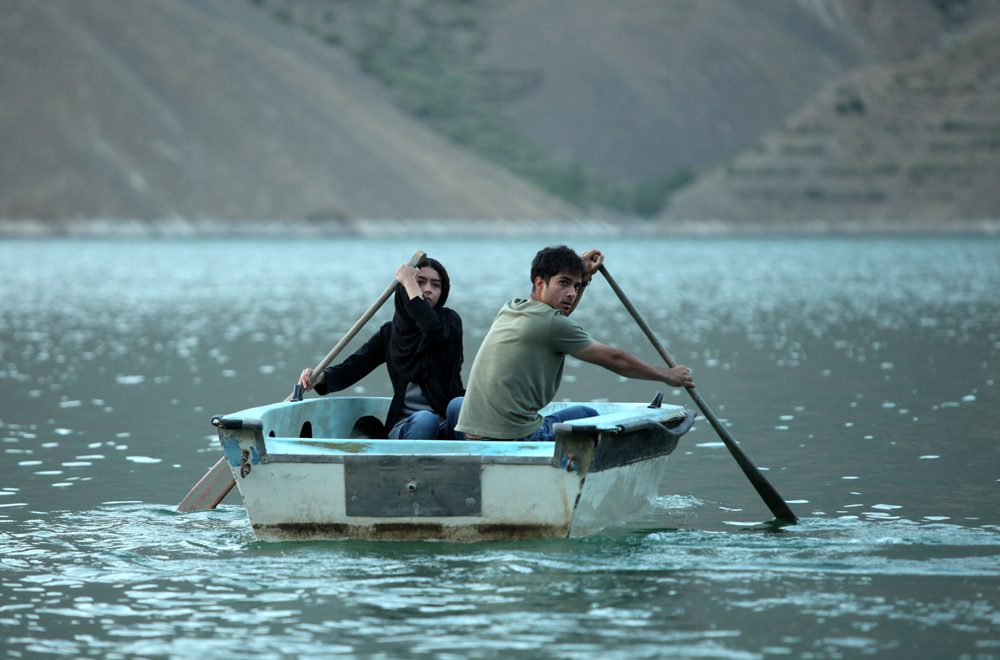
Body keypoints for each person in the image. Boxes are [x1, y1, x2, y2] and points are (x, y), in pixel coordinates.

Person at [454, 245, 694, 442]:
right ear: (540, 283)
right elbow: (614, 359)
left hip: (470, 435)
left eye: (576, 286)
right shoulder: (551, 324)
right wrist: (667, 375)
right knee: (588, 415)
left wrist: (584, 277)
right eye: (563, 283)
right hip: (517, 437)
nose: (571, 293)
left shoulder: (511, 308)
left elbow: (556, 320)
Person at [298, 258, 465, 439]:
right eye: (420, 282)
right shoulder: (391, 333)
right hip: (408, 426)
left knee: (460, 404)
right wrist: (321, 378)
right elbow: (353, 368)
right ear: (403, 289)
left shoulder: (449, 323)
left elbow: (432, 328)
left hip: (447, 425)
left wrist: (409, 281)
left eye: (436, 285)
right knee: (425, 420)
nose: (428, 289)